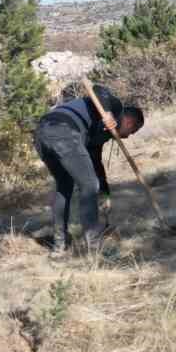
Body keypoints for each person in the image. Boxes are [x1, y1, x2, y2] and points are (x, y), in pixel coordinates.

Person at [31, 84, 144, 255]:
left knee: (65, 185)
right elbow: (98, 90)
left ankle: (59, 246)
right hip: (63, 129)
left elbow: (95, 165)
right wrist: (107, 113)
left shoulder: (98, 135)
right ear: (129, 121)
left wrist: (105, 193)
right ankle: (93, 246)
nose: (127, 137)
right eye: (132, 131)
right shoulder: (115, 107)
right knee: (89, 185)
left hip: (43, 134)